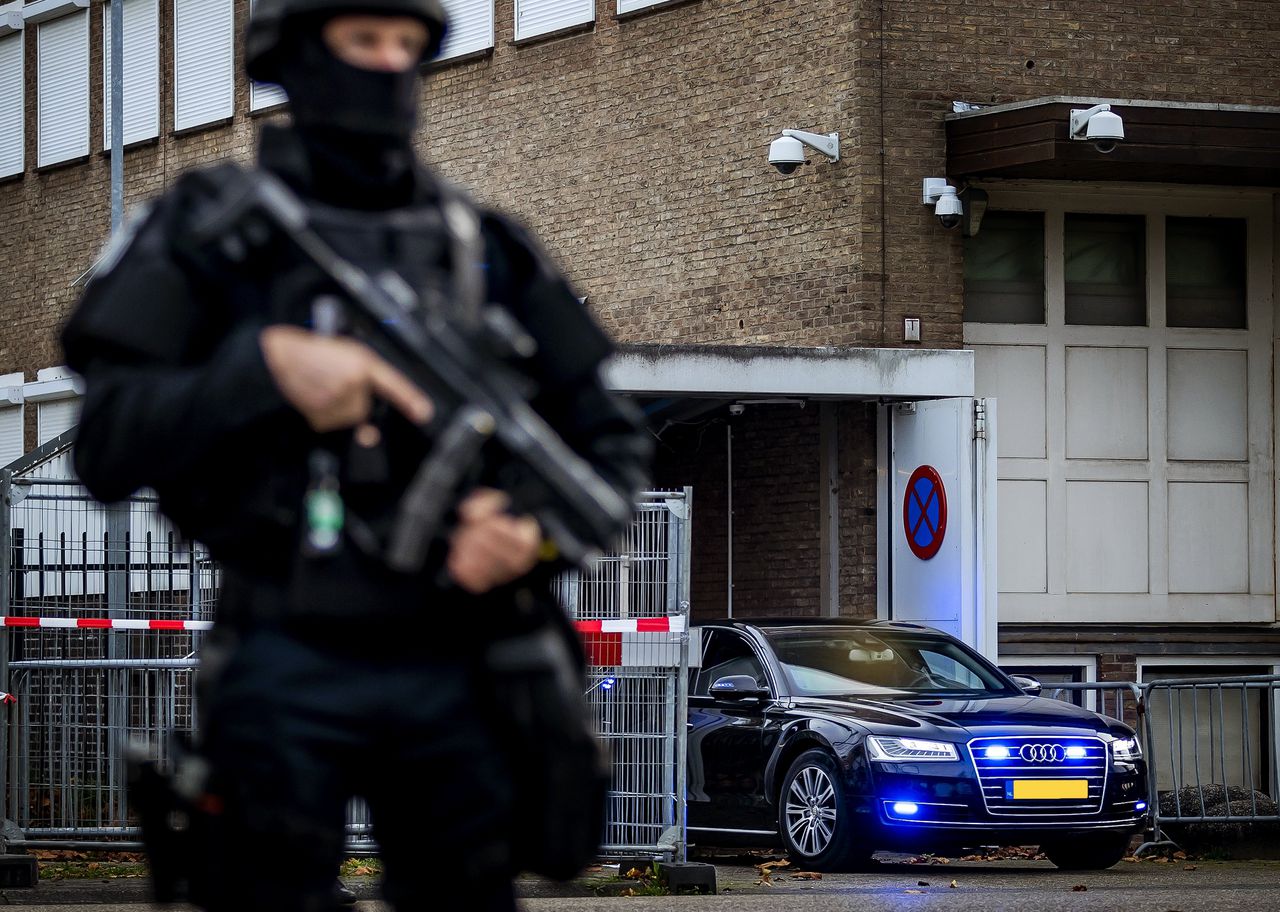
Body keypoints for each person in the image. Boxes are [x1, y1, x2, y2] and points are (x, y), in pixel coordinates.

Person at [60, 1, 651, 909]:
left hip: (465, 653)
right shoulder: (208, 233)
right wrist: (263, 369)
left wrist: (528, 536)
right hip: (283, 639)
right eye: (362, 40)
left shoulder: (487, 250)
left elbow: (610, 445)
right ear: (295, 54)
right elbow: (105, 445)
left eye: (407, 45)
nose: (388, 65)